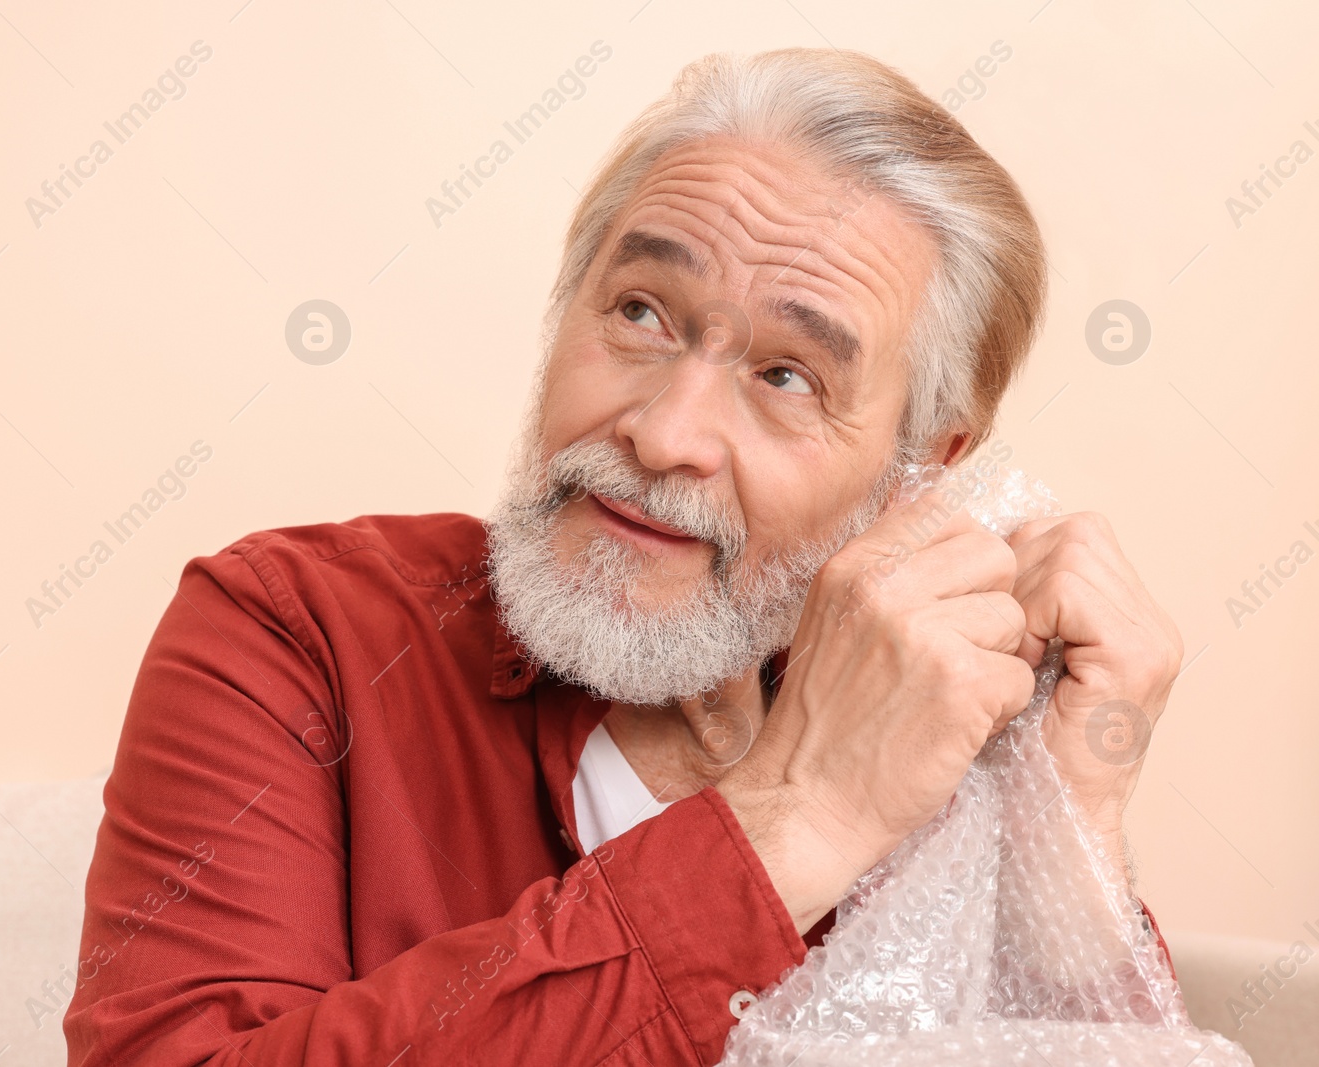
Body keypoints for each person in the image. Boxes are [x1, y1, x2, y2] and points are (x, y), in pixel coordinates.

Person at [64, 46, 1184, 1066]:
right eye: (640, 311)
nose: (663, 432)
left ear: (917, 474)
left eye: (785, 376)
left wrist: (1065, 824)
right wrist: (795, 818)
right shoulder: (294, 628)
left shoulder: (940, 722)